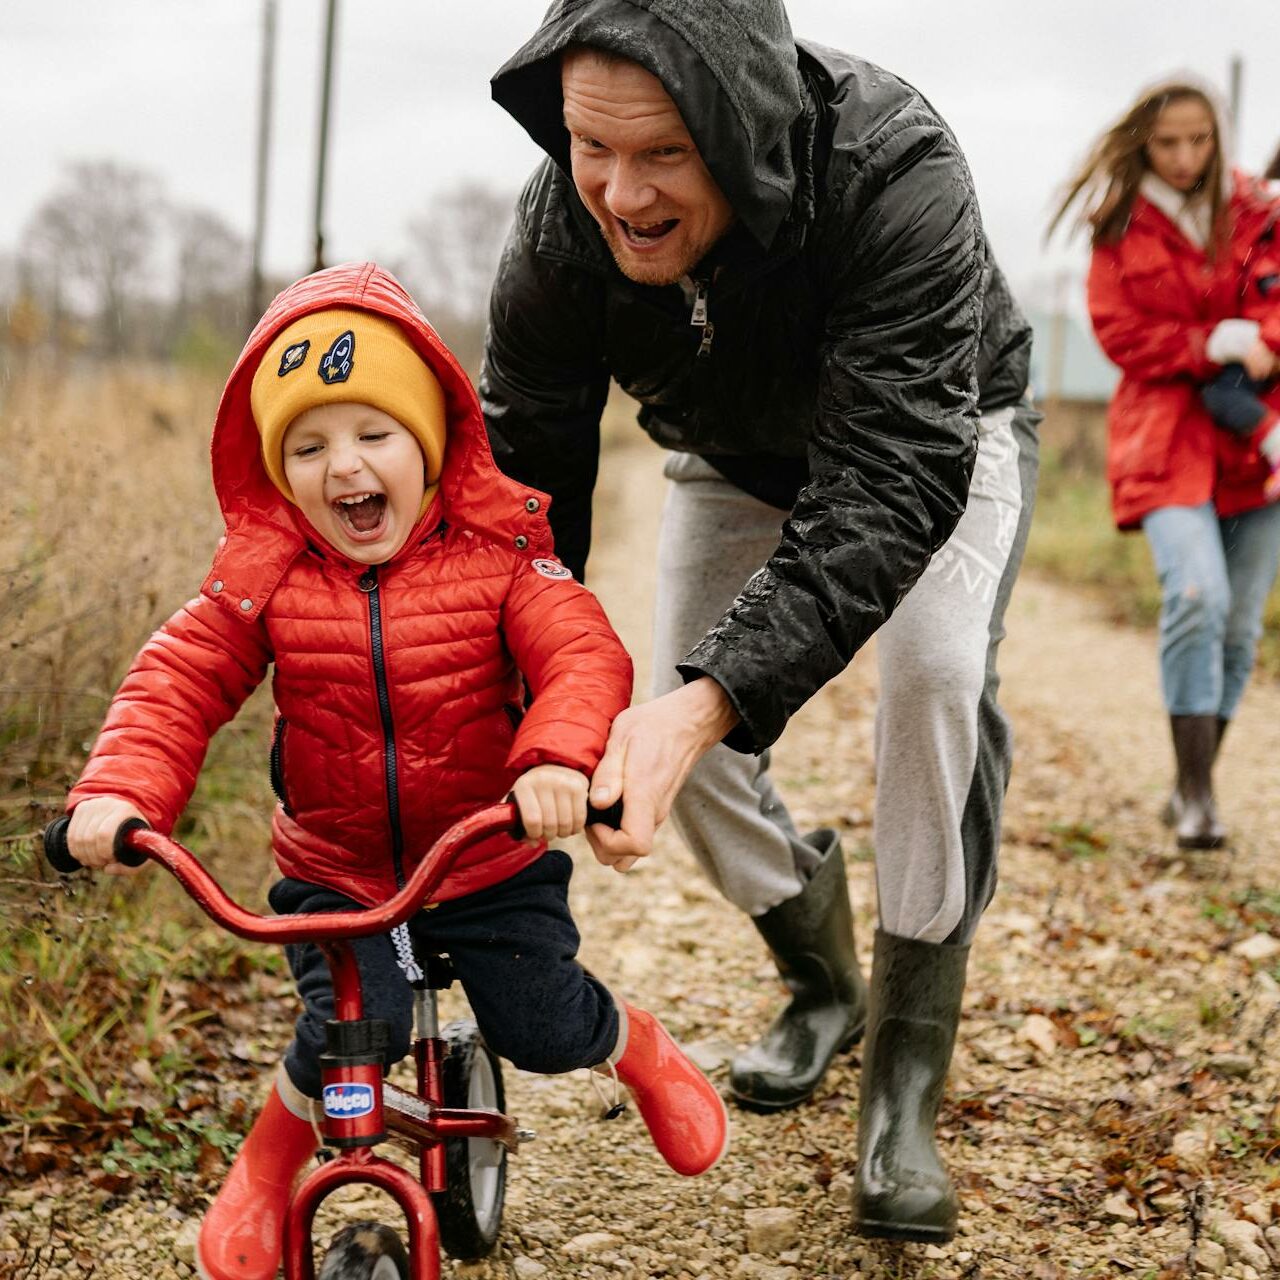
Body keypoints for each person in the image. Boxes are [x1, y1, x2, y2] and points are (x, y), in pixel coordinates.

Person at [481, 0, 1037, 1244]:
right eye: (590, 147)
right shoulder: (554, 231)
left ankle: (903, 1078)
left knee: (934, 675)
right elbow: (522, 489)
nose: (619, 194)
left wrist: (708, 699)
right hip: (728, 454)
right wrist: (514, 693)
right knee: (675, 714)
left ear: (739, 129)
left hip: (937, 434)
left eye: (663, 152)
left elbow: (892, 477)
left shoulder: (896, 169)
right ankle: (819, 977)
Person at [61, 263, 729, 1280]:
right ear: (278, 471)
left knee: (542, 1026)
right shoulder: (266, 575)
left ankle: (633, 1045)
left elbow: (581, 653)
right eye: (308, 444)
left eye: (373, 433)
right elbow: (179, 676)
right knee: (344, 1033)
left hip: (483, 859)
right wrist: (119, 790)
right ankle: (263, 1169)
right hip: (339, 872)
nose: (344, 468)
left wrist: (552, 759)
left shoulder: (500, 556)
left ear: (428, 440)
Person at [1051, 80, 1280, 850]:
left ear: (1218, 137)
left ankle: (1195, 783)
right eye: (1168, 142)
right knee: (1196, 595)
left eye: (1199, 140)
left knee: (1241, 628)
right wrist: (1209, 343)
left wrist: (1265, 346)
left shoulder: (1258, 210)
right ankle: (1195, 793)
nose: (1185, 158)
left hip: (1258, 441)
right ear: (1143, 143)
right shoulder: (1119, 226)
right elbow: (1119, 332)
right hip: (1165, 439)